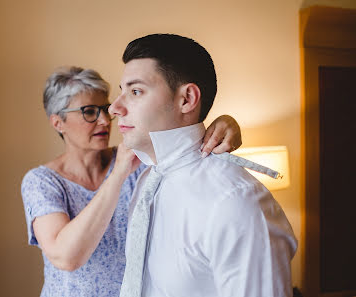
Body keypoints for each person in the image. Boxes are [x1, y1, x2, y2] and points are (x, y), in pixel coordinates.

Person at [21, 66, 243, 297]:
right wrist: (118, 174)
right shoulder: (41, 181)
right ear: (58, 123)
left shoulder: (139, 158)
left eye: (105, 109)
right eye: (89, 112)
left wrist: (226, 123)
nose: (105, 121)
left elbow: (185, 150)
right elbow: (66, 257)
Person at [110, 34, 298, 297]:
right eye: (121, 91)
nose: (114, 107)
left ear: (186, 99)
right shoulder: (146, 183)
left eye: (135, 91)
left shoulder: (236, 202)